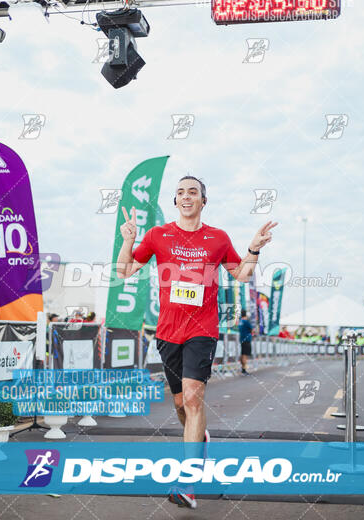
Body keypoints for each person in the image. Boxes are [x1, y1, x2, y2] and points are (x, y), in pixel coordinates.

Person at [116, 175, 278, 509]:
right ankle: (199, 435)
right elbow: (124, 271)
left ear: (204, 200)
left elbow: (242, 274)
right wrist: (128, 241)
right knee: (181, 405)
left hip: (202, 329)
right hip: (167, 332)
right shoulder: (158, 235)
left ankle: (188, 483)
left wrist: (253, 249)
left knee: (192, 398)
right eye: (180, 192)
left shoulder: (217, 238)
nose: (186, 196)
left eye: (193, 192)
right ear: (175, 201)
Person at [239, 310, 253, 375]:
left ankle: (243, 368)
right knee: (245, 355)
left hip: (242, 339)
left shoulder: (240, 322)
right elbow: (252, 330)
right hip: (246, 340)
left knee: (242, 354)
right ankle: (244, 369)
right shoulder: (246, 322)